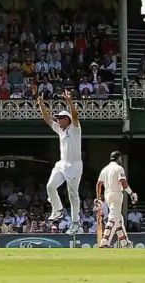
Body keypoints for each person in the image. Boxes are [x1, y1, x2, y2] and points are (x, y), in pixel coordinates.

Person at [37, 90, 82, 232]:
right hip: (62, 164)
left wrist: (69, 100)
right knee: (50, 186)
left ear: (66, 119)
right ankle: (58, 209)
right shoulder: (60, 130)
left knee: (73, 194)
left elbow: (75, 115)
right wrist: (41, 105)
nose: (58, 120)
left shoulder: (75, 128)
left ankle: (75, 222)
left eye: (60, 118)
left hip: (74, 165)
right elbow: (47, 119)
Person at [95, 150, 136, 248]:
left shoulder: (104, 169)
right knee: (113, 217)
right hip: (116, 194)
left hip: (107, 195)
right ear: (118, 158)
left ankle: (125, 242)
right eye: (120, 159)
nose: (121, 160)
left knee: (118, 218)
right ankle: (104, 241)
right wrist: (131, 193)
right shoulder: (119, 168)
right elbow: (122, 181)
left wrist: (98, 197)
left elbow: (99, 184)